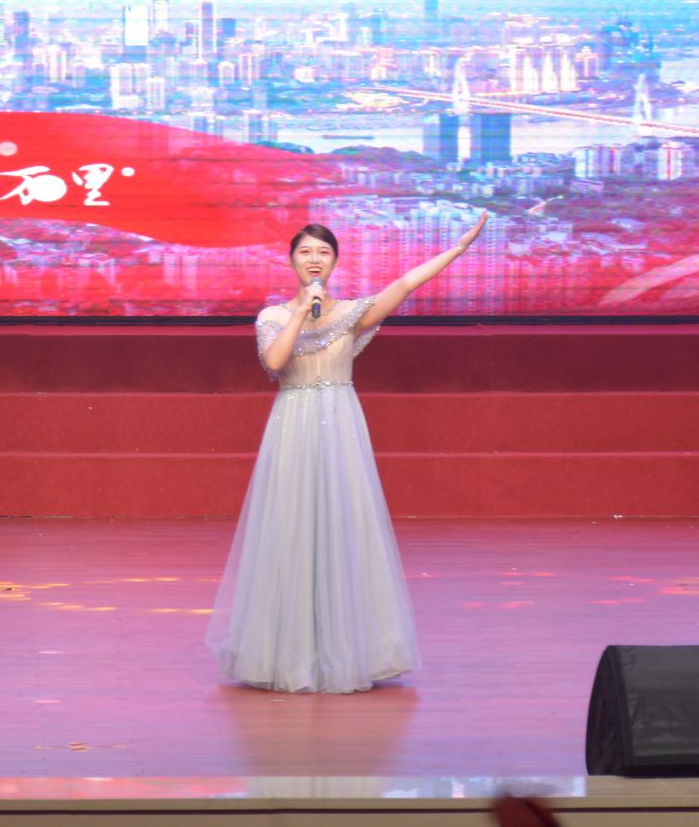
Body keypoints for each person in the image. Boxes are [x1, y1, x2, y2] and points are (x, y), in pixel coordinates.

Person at [207, 213, 489, 693]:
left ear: (335, 261)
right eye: (305, 252)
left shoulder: (353, 314)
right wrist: (303, 311)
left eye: (323, 252)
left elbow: (405, 284)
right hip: (293, 424)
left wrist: (457, 250)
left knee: (345, 528)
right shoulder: (272, 317)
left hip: (340, 425)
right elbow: (275, 362)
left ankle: (351, 651)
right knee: (290, 529)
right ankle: (286, 654)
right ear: (292, 261)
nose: (314, 259)